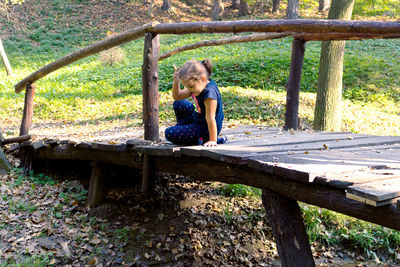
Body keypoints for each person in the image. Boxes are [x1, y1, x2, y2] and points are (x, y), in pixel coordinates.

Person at [165, 59, 226, 147]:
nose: (189, 89)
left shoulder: (209, 94)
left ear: (203, 79)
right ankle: (184, 132)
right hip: (198, 119)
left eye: (190, 86)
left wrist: (212, 140)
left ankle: (200, 139)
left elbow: (211, 118)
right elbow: (177, 96)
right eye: (186, 86)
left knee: (169, 132)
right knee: (179, 103)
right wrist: (176, 80)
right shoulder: (198, 86)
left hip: (205, 129)